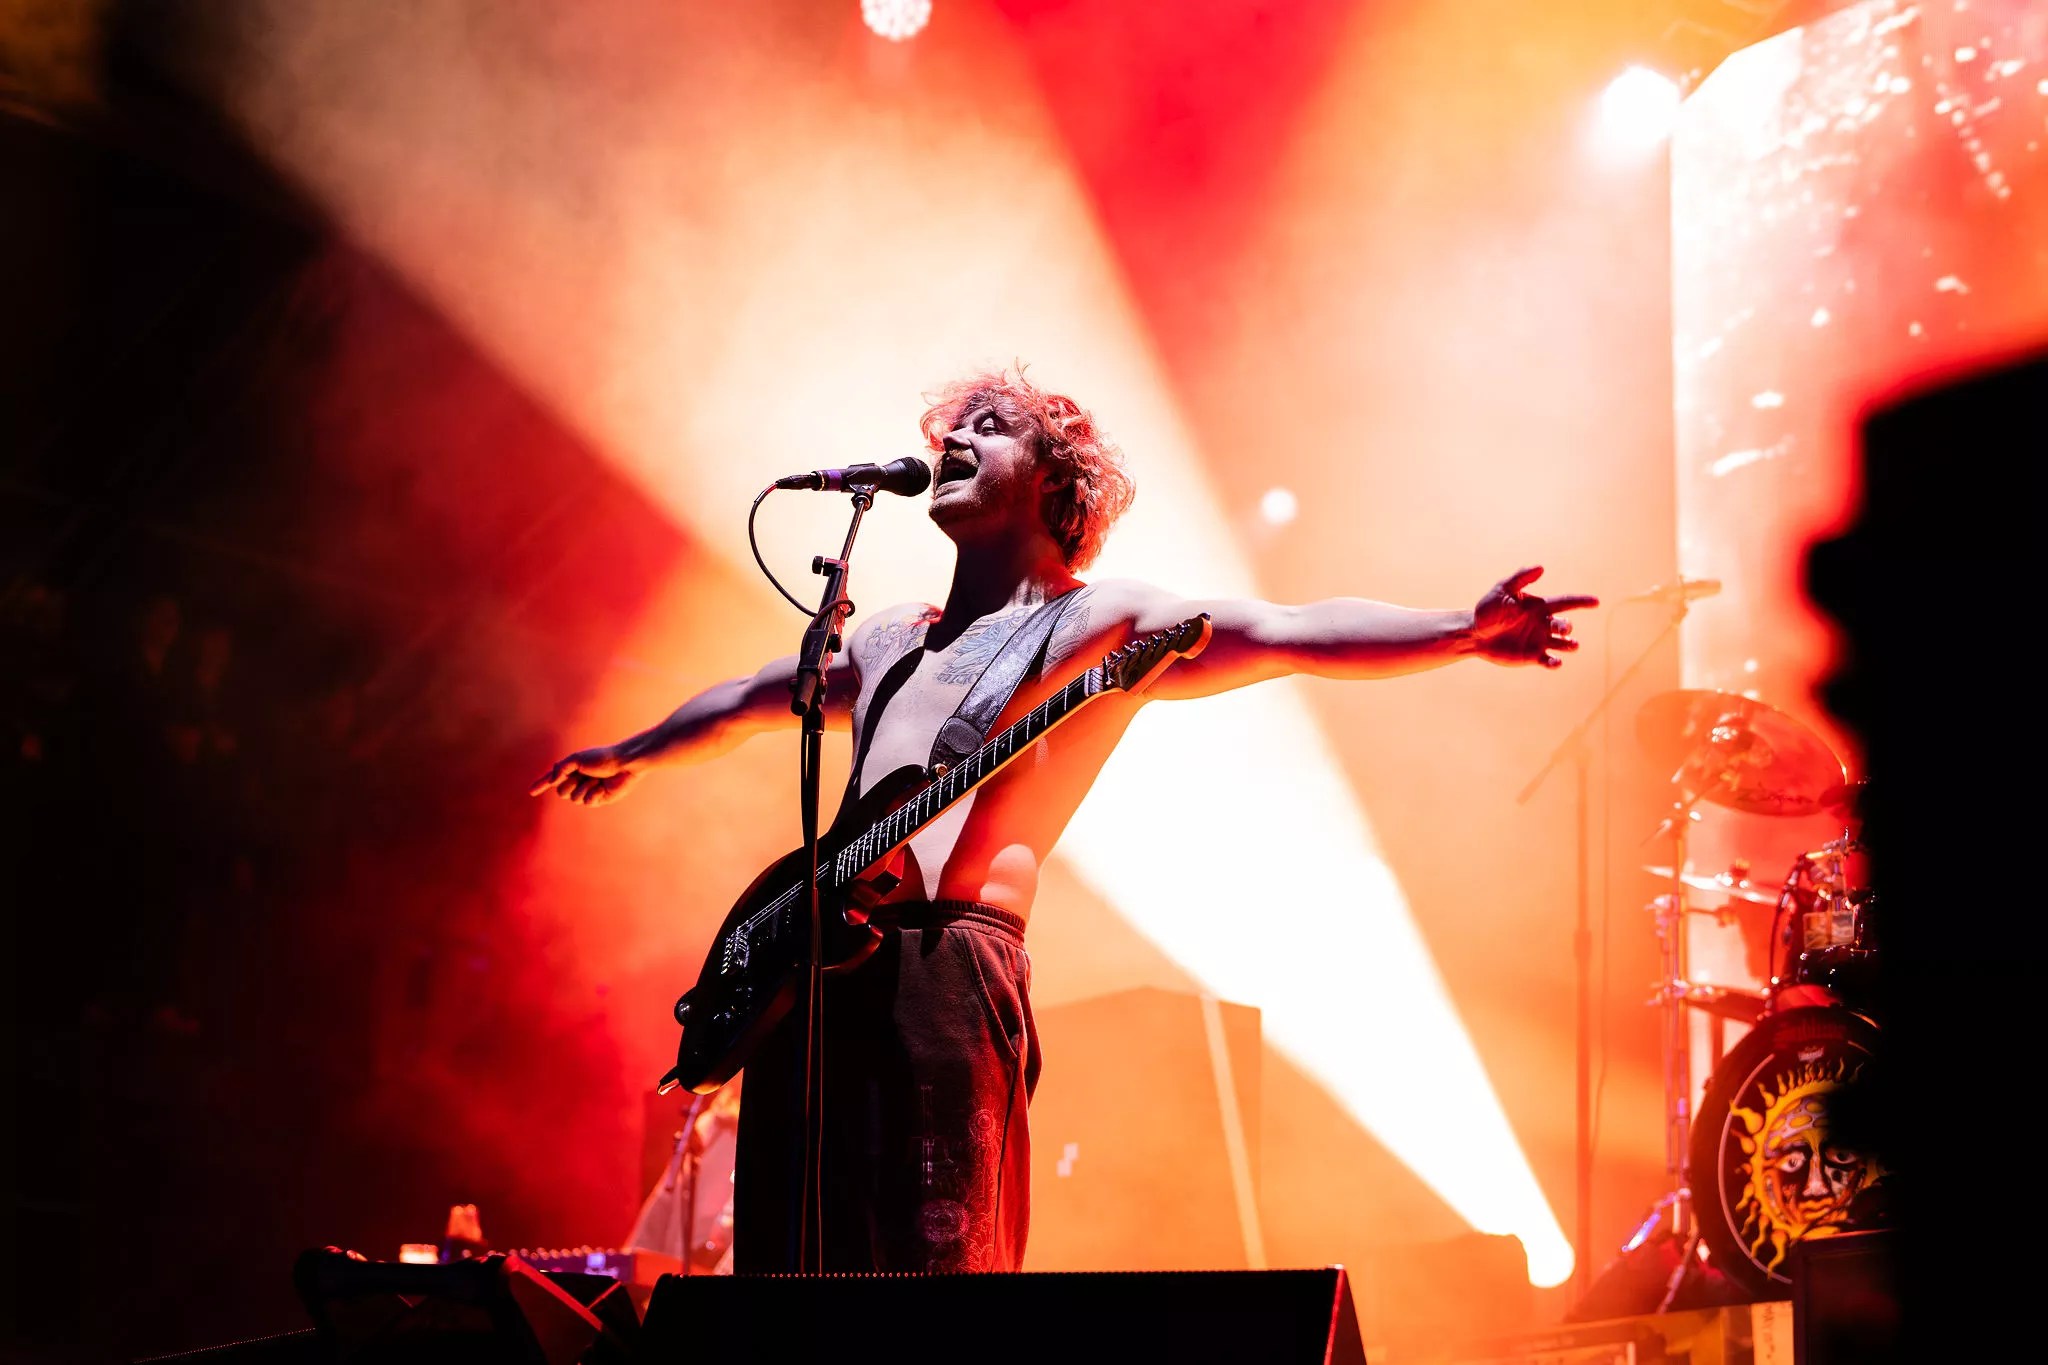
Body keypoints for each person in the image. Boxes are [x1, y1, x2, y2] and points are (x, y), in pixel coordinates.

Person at [531, 367, 1595, 1274]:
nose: (951, 441)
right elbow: (752, 697)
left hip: (949, 971)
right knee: (789, 1273)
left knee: (931, 1270)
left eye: (987, 427)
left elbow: (1285, 629)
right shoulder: (888, 634)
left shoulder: (1097, 620)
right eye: (949, 429)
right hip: (809, 974)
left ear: (1054, 478)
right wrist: (631, 752)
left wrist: (1460, 629)